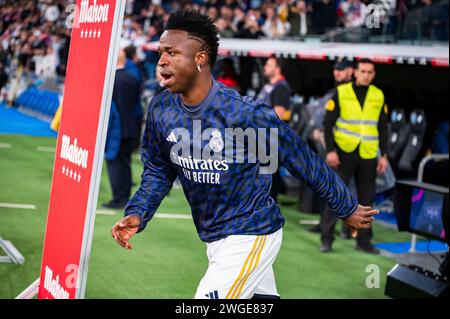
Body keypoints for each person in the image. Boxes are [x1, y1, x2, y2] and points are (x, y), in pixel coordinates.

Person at [111, 10, 378, 299]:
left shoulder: (244, 112)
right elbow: (159, 170)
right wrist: (138, 212)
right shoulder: (161, 108)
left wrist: (346, 208)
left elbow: (301, 158)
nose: (161, 61)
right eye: (162, 52)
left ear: (200, 58)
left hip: (251, 231)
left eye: (173, 53)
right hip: (215, 237)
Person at [320, 58, 389, 254]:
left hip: (368, 153)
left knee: (367, 200)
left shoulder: (378, 95)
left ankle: (364, 242)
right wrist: (330, 151)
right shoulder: (341, 92)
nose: (366, 75)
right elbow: (327, 123)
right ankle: (326, 238)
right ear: (355, 72)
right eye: (363, 71)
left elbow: (382, 127)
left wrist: (384, 155)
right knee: (337, 195)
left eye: (370, 72)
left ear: (373, 74)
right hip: (344, 152)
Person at [308, 57, 354, 235]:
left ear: (351, 71)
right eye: (336, 69)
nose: (337, 72)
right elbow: (320, 121)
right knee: (329, 189)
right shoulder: (332, 92)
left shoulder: (353, 94)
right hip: (330, 148)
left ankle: (348, 228)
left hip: (348, 149)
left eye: (341, 69)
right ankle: (326, 226)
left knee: (348, 189)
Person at [103, 49, 140, 209]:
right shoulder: (133, 78)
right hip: (131, 126)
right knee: (124, 163)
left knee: (115, 163)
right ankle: (123, 197)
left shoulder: (112, 80)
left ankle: (118, 199)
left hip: (116, 128)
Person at [257, 56, 291, 203]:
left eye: (269, 65)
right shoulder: (269, 86)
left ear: (277, 69)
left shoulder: (280, 87)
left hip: (270, 137)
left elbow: (279, 115)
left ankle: (269, 205)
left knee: (269, 176)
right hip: (263, 136)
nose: (265, 67)